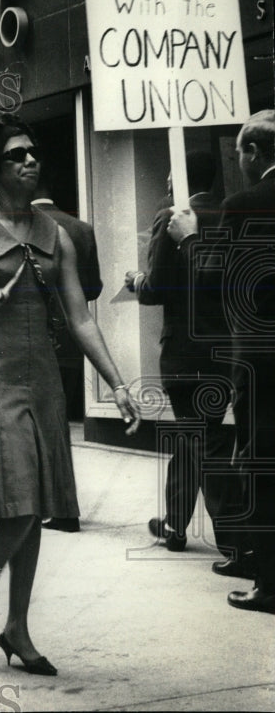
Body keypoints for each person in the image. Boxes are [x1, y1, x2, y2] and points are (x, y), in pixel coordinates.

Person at [0, 113, 139, 673]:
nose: (31, 160)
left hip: (45, 388)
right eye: (17, 155)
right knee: (23, 503)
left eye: (33, 152)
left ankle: (17, 627)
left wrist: (118, 383)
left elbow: (81, 318)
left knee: (33, 511)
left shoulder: (56, 235)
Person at [168, 109, 275, 615]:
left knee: (259, 461)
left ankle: (269, 581)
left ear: (254, 153)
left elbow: (214, 283)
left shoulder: (245, 204)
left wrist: (189, 237)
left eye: (241, 152)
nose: (239, 161)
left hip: (260, 359)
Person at [125, 151, 234, 554]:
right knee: (198, 435)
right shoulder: (229, 214)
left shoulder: (171, 217)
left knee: (203, 442)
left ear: (178, 180)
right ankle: (174, 524)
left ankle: (234, 539)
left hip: (184, 352)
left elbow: (156, 289)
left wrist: (137, 281)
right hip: (224, 351)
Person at [31, 173, 104, 533]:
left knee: (44, 426)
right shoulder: (82, 229)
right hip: (72, 341)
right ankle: (59, 502)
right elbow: (92, 289)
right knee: (57, 423)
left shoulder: (23, 227)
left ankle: (60, 506)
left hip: (36, 338)